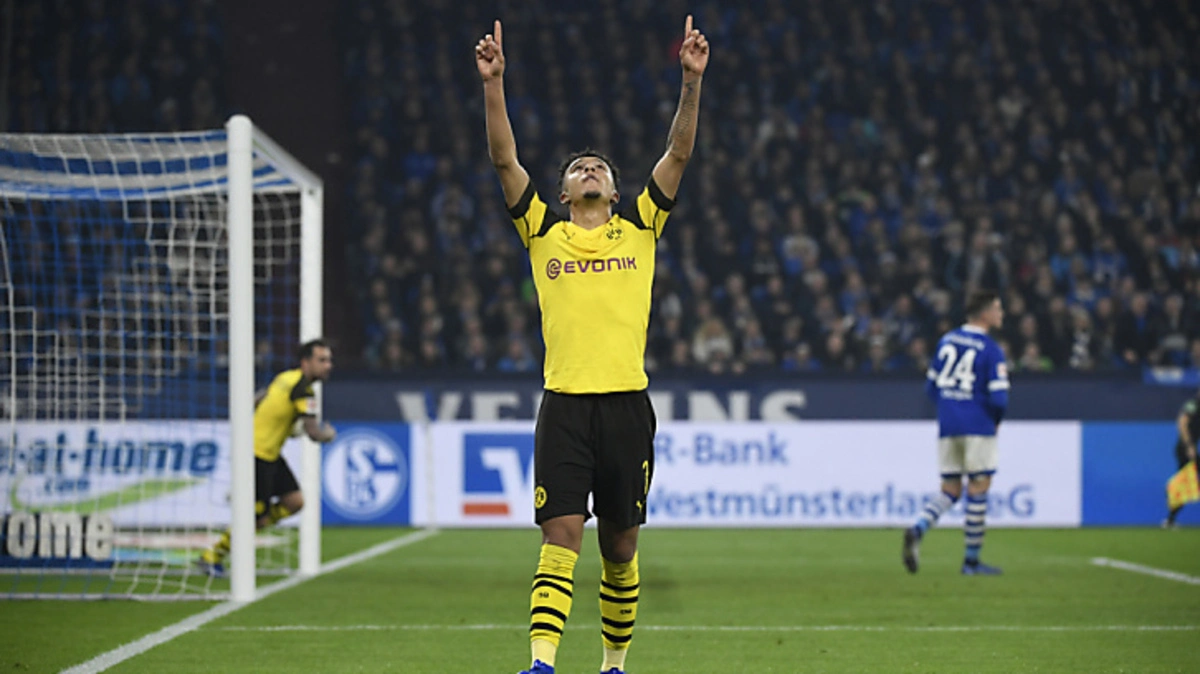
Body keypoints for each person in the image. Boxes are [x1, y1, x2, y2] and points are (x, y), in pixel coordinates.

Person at [476, 14, 708, 674]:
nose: (589, 169)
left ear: (612, 189)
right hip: (566, 406)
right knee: (560, 538)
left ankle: (613, 665)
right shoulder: (542, 231)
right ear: (563, 192)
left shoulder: (641, 224)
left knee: (620, 550)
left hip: (627, 406)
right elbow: (504, 159)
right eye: (579, 168)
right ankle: (542, 664)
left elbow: (678, 155)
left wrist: (691, 82)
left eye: (598, 167)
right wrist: (493, 84)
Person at [198, 339, 337, 575]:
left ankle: (256, 513)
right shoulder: (304, 391)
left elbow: (258, 399)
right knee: (256, 517)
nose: (328, 365)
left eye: (329, 360)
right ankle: (212, 555)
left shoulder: (285, 377)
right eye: (322, 360)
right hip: (257, 455)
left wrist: (276, 421)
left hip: (266, 452)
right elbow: (314, 432)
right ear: (306, 362)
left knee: (295, 502)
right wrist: (328, 435)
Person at [903, 290, 1010, 575]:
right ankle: (971, 562)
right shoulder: (991, 349)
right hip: (978, 425)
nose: (1001, 314)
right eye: (997, 309)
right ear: (984, 313)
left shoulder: (946, 340)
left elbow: (931, 388)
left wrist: (951, 408)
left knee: (950, 489)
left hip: (948, 425)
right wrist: (995, 421)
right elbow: (1000, 399)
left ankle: (919, 527)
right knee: (978, 488)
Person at [1163, 388, 1200, 528]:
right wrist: (1189, 445)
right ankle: (1171, 488)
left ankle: (1170, 519)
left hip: (1190, 448)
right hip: (1185, 448)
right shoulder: (1194, 404)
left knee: (1185, 484)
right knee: (1184, 484)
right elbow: (1182, 422)